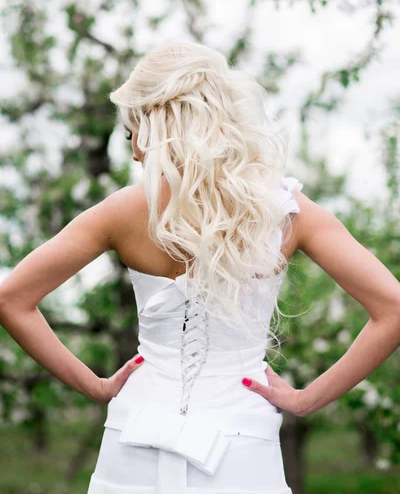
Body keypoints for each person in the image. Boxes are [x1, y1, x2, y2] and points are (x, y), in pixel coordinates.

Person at [0, 41, 399, 494]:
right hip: (241, 446)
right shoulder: (285, 214)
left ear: (164, 126)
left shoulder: (120, 213)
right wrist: (306, 400)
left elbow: (12, 298)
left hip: (133, 437)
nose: (134, 154)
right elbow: (394, 309)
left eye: (134, 134)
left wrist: (94, 386)